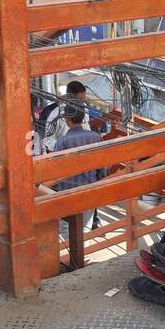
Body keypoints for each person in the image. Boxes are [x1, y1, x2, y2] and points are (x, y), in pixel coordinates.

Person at [52, 103, 104, 242]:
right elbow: (102, 165)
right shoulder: (95, 137)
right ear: (83, 118)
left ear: (67, 120)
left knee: (65, 227)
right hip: (89, 188)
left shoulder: (62, 142)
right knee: (85, 227)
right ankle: (82, 258)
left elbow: (54, 169)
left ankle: (74, 260)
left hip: (67, 191)